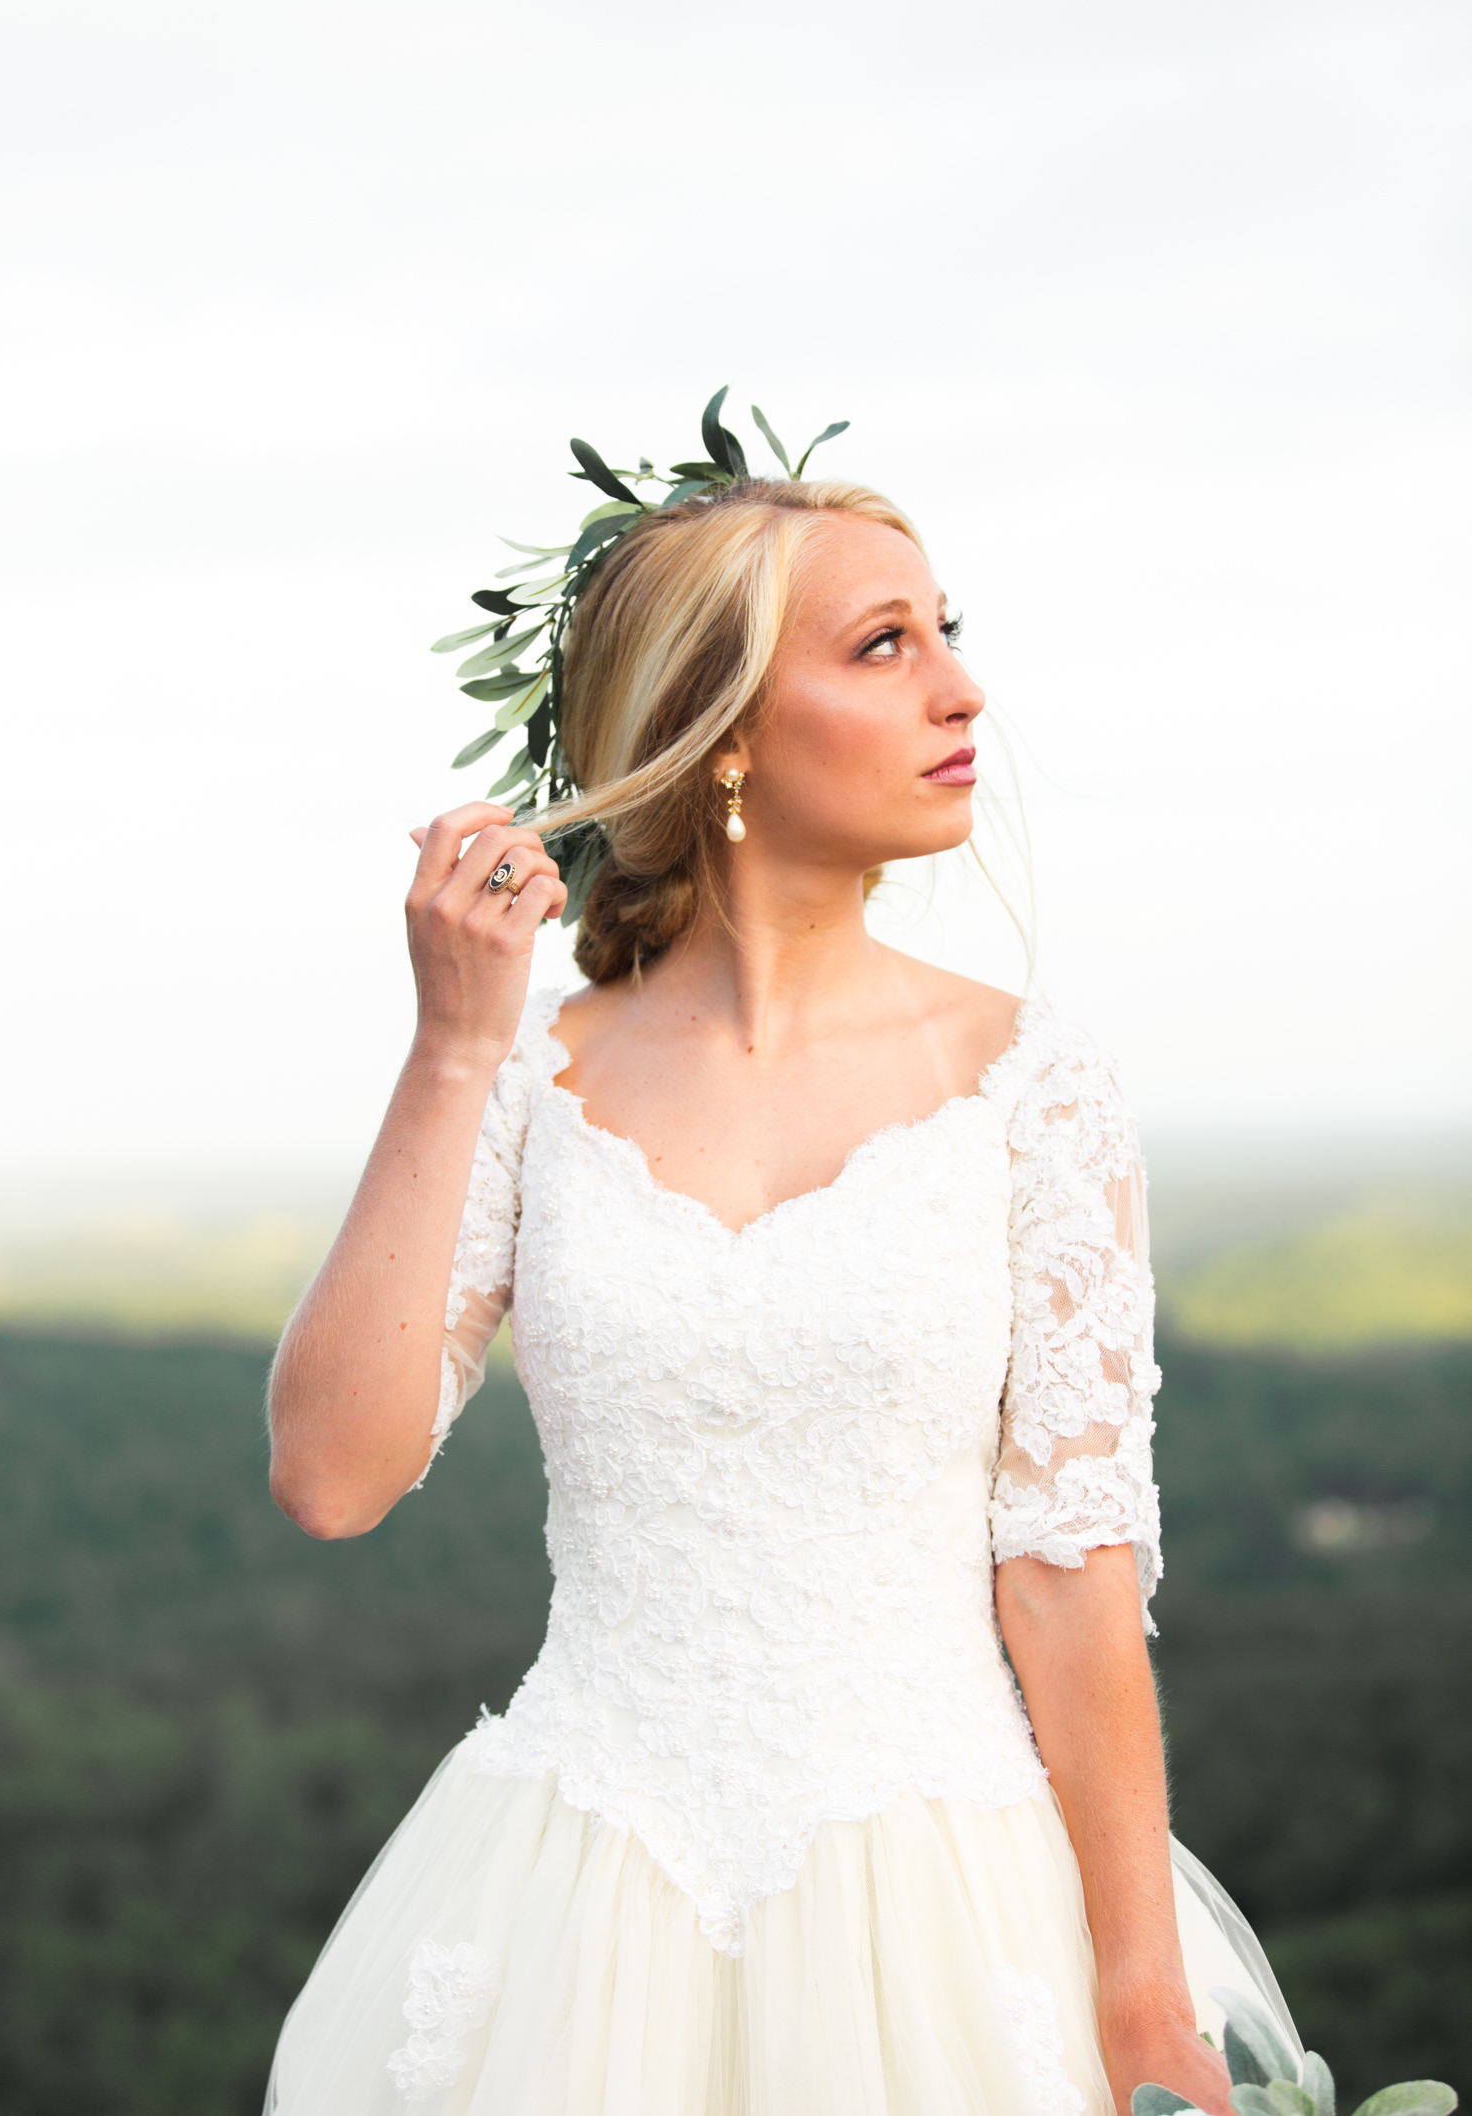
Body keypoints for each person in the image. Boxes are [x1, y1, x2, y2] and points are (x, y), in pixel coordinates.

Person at [264, 472, 1297, 2116]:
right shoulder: (526, 1078)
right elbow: (331, 1476)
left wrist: (1137, 1986)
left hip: (949, 1910)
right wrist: (454, 1043)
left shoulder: (1033, 1084)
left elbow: (1068, 1564)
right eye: (884, 646)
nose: (961, 688)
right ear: (720, 730)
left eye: (944, 632)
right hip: (577, 1898)